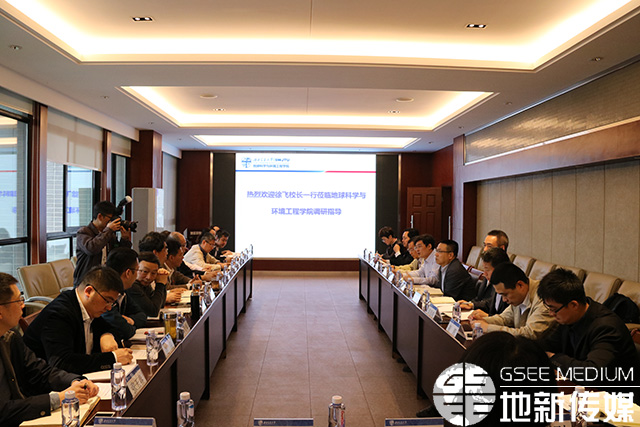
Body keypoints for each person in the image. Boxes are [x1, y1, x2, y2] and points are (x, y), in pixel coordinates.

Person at [0, 273, 100, 427]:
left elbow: (40, 371)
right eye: (18, 300)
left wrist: (76, 381)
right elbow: (4, 410)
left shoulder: (10, 337)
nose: (23, 305)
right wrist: (60, 398)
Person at [537, 269, 640, 388]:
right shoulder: (569, 317)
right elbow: (546, 345)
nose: (551, 314)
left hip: (613, 394)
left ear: (573, 305)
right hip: (582, 387)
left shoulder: (607, 327)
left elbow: (592, 373)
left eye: (553, 309)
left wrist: (553, 357)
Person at [24, 266, 133, 374]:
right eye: (107, 300)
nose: (109, 308)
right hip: (43, 380)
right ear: (89, 291)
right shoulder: (59, 314)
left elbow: (113, 329)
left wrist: (107, 335)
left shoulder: (90, 308)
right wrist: (113, 358)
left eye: (112, 303)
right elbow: (62, 363)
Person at [469, 263, 554, 339]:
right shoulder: (518, 297)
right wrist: (483, 320)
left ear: (520, 285)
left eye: (505, 294)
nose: (504, 300)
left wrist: (488, 328)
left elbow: (529, 334)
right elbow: (504, 319)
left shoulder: (544, 298)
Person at [73, 201, 132, 287]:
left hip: (106, 280)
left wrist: (125, 239)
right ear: (100, 216)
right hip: (87, 282)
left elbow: (118, 256)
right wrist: (108, 230)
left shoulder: (109, 234)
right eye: (110, 218)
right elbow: (92, 248)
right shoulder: (84, 232)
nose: (112, 222)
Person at [102, 248, 147, 340]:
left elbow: (142, 315)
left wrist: (130, 320)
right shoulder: (105, 295)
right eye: (137, 270)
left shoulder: (123, 292)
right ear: (128, 273)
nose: (137, 276)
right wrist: (127, 325)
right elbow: (126, 331)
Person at [126, 252, 181, 317]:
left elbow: (161, 304)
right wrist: (160, 284)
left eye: (153, 273)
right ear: (136, 269)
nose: (149, 277)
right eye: (145, 271)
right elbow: (153, 312)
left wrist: (163, 282)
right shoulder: (132, 286)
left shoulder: (145, 285)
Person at [458, 247, 510, 314]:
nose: (484, 274)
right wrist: (471, 305)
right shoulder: (498, 282)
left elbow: (508, 318)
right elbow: (491, 303)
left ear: (500, 268)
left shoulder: (510, 287)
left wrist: (487, 317)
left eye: (487, 270)